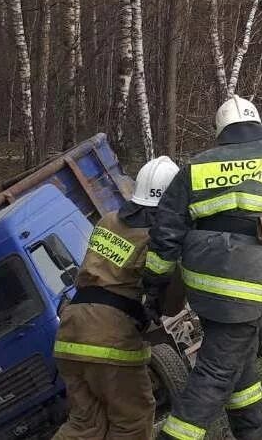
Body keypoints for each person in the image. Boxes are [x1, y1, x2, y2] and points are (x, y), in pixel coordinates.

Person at [144, 95, 262, 440]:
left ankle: (256, 429)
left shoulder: (194, 168)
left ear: (221, 132)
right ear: (256, 126)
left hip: (201, 275)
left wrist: (154, 286)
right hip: (244, 276)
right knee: (215, 371)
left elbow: (166, 231)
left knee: (234, 356)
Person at [52, 155, 180, 440]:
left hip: (71, 329)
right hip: (108, 336)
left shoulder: (108, 221)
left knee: (85, 424)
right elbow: (171, 304)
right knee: (132, 418)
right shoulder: (157, 240)